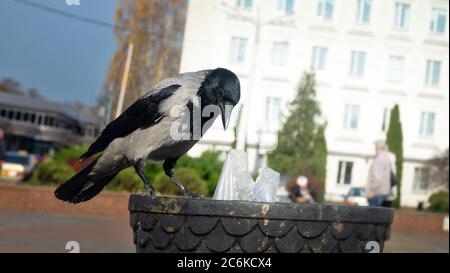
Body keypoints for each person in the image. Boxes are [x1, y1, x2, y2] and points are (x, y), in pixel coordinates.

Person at [367, 140, 392, 207]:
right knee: (379, 215)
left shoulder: (379, 158)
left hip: (376, 193)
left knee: (373, 216)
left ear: (378, 147)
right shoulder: (386, 157)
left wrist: (372, 191)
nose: (374, 148)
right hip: (382, 193)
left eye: (375, 146)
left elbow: (377, 177)